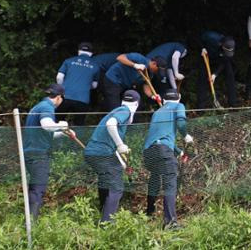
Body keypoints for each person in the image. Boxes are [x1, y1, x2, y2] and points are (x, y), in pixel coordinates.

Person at [84, 90, 141, 223]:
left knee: (105, 180)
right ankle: (107, 222)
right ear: (137, 104)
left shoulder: (116, 110)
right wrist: (120, 144)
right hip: (102, 152)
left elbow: (111, 143)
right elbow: (111, 124)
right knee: (117, 187)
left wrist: (122, 162)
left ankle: (103, 213)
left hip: (92, 152)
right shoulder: (125, 111)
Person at [143, 88, 193, 229]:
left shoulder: (157, 112)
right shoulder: (179, 106)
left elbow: (160, 138)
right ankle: (170, 222)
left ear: (164, 100)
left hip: (149, 151)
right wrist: (185, 136)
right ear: (179, 97)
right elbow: (181, 123)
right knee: (170, 181)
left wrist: (179, 152)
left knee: (155, 177)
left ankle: (149, 213)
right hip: (162, 150)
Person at [23, 84, 72, 220]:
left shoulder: (37, 107)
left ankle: (29, 218)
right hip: (38, 154)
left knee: (34, 186)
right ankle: (31, 223)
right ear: (58, 97)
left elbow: (45, 132)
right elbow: (47, 125)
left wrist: (62, 133)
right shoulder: (46, 107)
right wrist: (62, 125)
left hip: (30, 152)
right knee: (38, 188)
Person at [56, 42, 100, 125]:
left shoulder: (68, 61)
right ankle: (77, 136)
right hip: (83, 99)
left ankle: (55, 136)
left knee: (58, 120)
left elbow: (59, 77)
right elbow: (94, 85)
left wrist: (61, 88)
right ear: (91, 53)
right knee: (79, 124)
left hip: (65, 96)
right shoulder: (96, 66)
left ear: (78, 51)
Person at [197, 31, 237, 108]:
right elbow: (199, 39)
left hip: (220, 60)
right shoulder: (211, 37)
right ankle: (201, 107)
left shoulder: (230, 47)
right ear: (222, 46)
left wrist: (215, 74)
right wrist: (202, 48)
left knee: (230, 74)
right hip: (206, 57)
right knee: (202, 78)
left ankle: (233, 104)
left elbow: (225, 61)